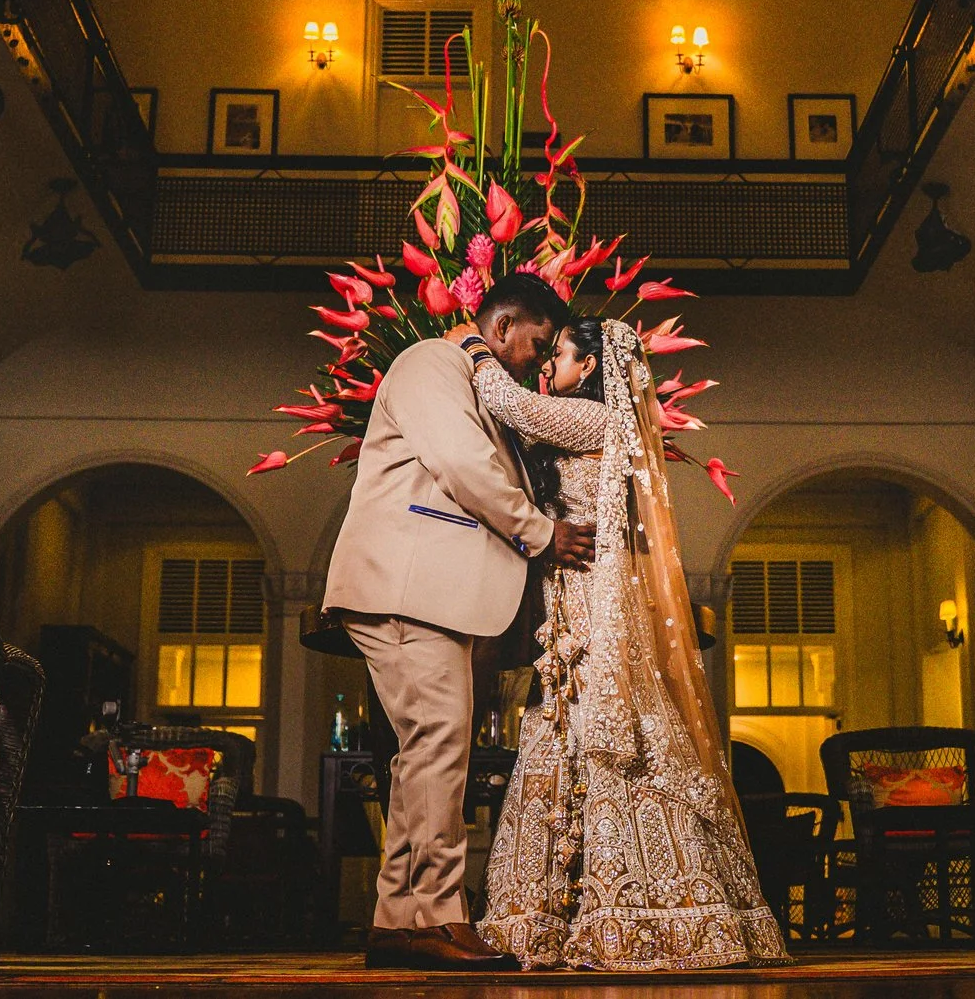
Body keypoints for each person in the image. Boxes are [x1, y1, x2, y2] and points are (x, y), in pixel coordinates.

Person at [465, 316, 787, 969]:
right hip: (565, 608)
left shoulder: (602, 421)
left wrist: (470, 343)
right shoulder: (578, 428)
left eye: (557, 352)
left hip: (596, 610)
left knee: (609, 741)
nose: (547, 364)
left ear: (591, 367)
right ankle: (554, 914)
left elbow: (504, 400)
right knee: (560, 740)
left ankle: (641, 913)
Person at [320, 273, 596, 971]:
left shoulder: (478, 386)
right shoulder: (430, 363)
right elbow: (460, 461)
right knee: (441, 741)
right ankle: (440, 917)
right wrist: (540, 531)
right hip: (407, 585)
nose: (538, 360)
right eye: (537, 342)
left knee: (425, 752)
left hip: (426, 590)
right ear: (501, 325)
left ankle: (395, 919)